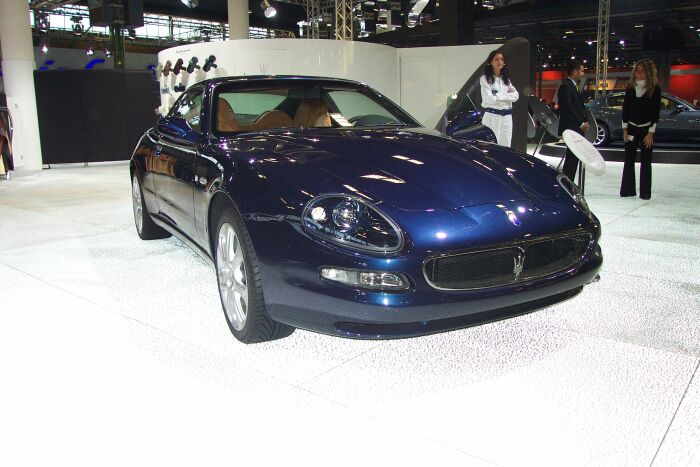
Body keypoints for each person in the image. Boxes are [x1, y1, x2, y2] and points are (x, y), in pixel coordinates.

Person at [620, 58, 661, 200]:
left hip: (646, 131)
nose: (638, 73)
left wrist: (651, 133)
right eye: (637, 70)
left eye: (642, 71)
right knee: (628, 160)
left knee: (646, 162)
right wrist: (624, 129)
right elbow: (625, 109)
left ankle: (645, 193)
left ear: (648, 72)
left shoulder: (655, 88)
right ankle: (627, 191)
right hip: (631, 128)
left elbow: (656, 112)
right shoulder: (630, 87)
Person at [557, 60, 589, 181]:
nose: (582, 73)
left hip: (576, 127)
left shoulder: (573, 86)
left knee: (574, 156)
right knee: (571, 157)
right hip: (572, 127)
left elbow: (579, 107)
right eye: (581, 70)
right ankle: (567, 182)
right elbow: (568, 108)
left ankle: (569, 182)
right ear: (575, 72)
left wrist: (585, 120)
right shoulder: (565, 86)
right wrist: (580, 123)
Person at [479, 49, 519, 147]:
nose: (500, 61)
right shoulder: (485, 79)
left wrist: (497, 95)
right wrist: (506, 94)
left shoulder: (506, 80)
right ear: (490, 62)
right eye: (496, 59)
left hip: (507, 118)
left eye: (502, 59)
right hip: (492, 117)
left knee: (506, 146)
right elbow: (489, 99)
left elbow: (516, 96)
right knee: (490, 146)